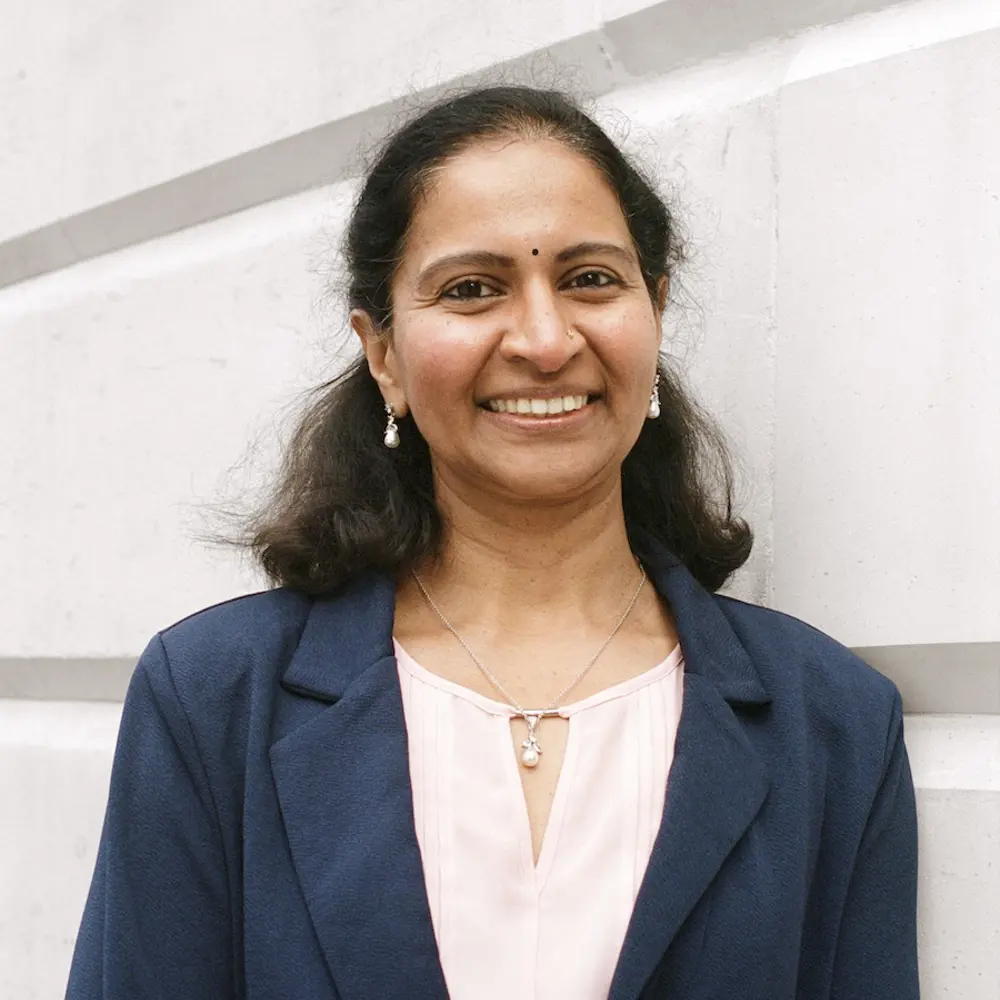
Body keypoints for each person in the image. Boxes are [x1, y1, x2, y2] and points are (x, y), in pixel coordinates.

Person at [66, 86, 919, 1000]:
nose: (546, 341)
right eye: (472, 289)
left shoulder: (830, 724)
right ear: (383, 353)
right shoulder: (214, 701)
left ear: (655, 311)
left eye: (591, 279)